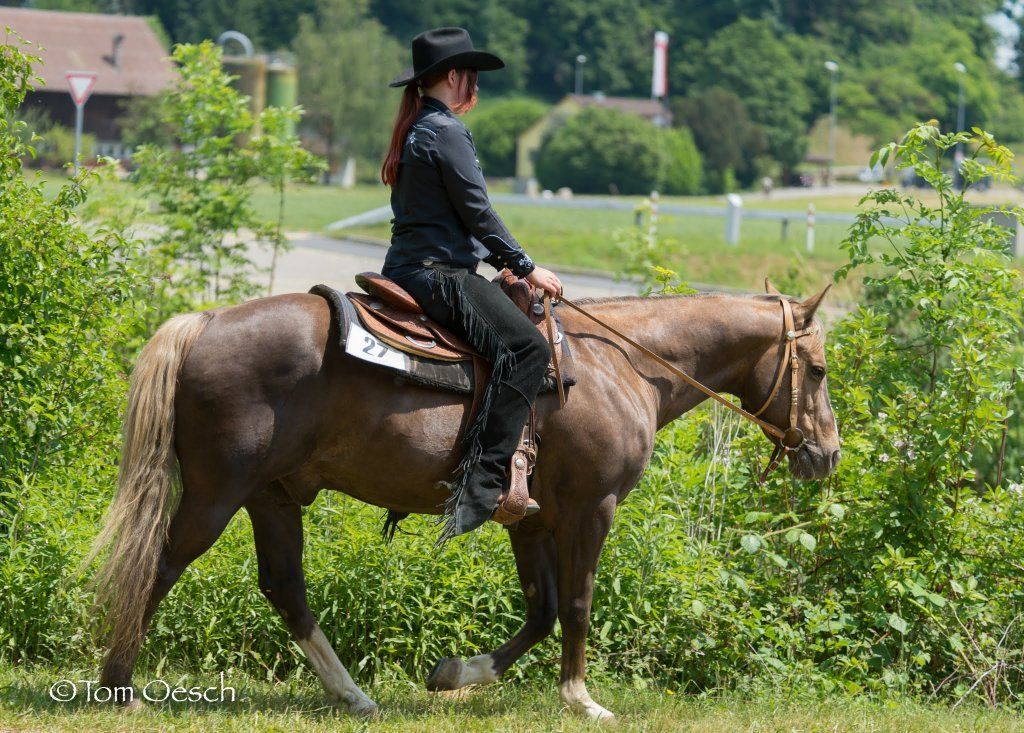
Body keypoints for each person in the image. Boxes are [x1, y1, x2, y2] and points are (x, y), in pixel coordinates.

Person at [379, 27, 562, 541]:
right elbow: (478, 212)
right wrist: (527, 267)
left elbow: (453, 214)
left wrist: (500, 261)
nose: (476, 86)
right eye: (473, 76)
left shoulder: (419, 126)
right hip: (438, 274)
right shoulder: (447, 131)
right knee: (527, 349)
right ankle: (481, 485)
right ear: (456, 76)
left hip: (408, 266)